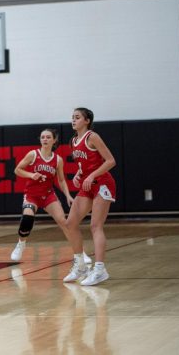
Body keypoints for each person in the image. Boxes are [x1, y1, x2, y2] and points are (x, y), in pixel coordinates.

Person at [10, 128, 92, 264]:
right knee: (27, 218)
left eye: (48, 137)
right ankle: (21, 244)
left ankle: (80, 253)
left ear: (54, 140)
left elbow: (61, 180)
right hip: (32, 195)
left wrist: (67, 195)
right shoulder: (33, 154)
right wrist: (31, 175)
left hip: (48, 195)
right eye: (42, 137)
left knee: (65, 222)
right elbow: (17, 169)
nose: (45, 140)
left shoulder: (58, 160)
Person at [63, 108, 116, 286]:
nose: (73, 120)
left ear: (86, 121)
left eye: (77, 117)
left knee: (95, 226)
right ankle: (81, 266)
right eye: (72, 118)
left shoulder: (92, 136)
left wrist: (92, 175)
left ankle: (100, 270)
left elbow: (110, 161)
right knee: (70, 223)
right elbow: (83, 164)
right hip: (88, 184)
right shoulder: (73, 141)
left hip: (102, 183)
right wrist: (79, 174)